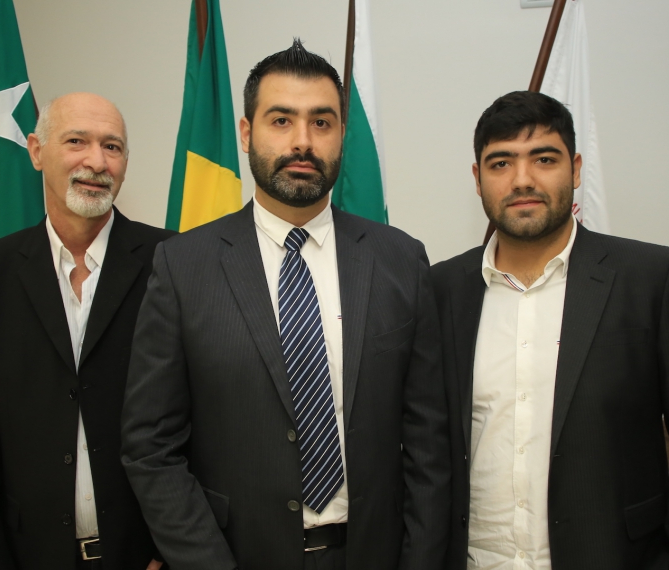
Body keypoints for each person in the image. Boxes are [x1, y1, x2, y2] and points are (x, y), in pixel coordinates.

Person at [120, 39, 450, 570]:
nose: (302, 141)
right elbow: (149, 446)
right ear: (246, 132)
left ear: (341, 135)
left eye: (321, 122)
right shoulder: (183, 266)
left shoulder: (400, 260)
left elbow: (429, 446)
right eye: (281, 120)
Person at [432, 91, 669, 570]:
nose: (522, 179)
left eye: (544, 159)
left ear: (575, 170)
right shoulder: (441, 289)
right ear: (477, 179)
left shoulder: (651, 280)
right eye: (501, 163)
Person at [0, 92, 173, 570]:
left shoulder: (173, 262)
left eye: (112, 147)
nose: (96, 162)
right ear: (36, 151)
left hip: (146, 556)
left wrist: (170, 553)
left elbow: (201, 422)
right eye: (76, 141)